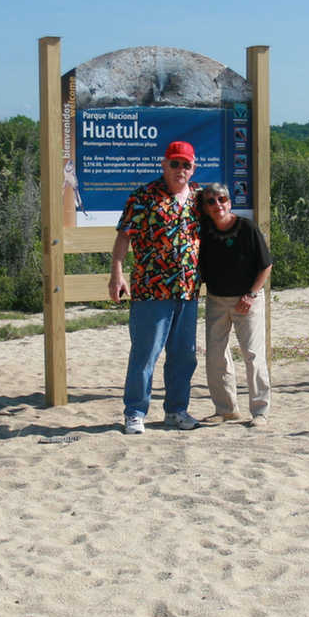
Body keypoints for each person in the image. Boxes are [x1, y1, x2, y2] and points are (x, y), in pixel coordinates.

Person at [109, 141, 203, 434]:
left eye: (186, 165)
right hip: (152, 290)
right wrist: (117, 273)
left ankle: (176, 411)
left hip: (188, 291)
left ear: (193, 167)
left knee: (184, 355)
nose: (180, 170)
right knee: (145, 353)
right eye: (175, 164)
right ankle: (135, 412)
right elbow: (124, 237)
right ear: (164, 165)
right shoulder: (143, 197)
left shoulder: (200, 198)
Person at [196, 182, 273, 427]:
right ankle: (226, 409)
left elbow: (266, 265)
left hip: (246, 300)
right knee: (216, 356)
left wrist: (251, 295)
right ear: (205, 207)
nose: (217, 205)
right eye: (210, 201)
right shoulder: (204, 230)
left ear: (230, 202)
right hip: (217, 300)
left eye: (221, 199)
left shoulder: (247, 228)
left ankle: (260, 411)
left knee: (252, 354)